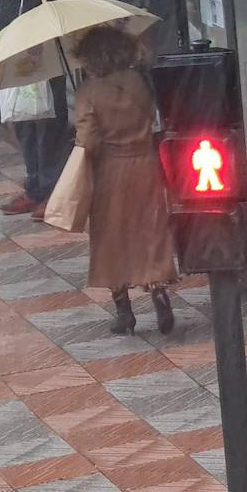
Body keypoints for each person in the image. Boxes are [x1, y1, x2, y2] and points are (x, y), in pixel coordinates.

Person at [73, 25, 177, 335]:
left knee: (111, 238)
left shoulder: (88, 93)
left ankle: (124, 312)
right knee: (150, 230)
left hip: (110, 171)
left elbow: (88, 140)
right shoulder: (139, 82)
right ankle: (158, 292)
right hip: (146, 164)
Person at [0, 0, 79, 216]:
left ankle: (53, 192)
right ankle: (34, 187)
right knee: (23, 121)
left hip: (42, 54)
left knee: (49, 124)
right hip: (11, 55)